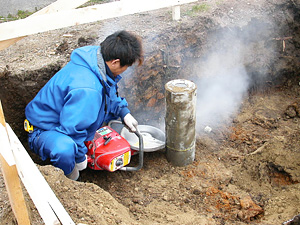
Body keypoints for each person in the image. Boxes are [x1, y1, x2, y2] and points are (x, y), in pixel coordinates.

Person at [24, 30, 143, 180]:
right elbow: (72, 130)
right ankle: (67, 179)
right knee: (65, 149)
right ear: (115, 62)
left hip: (67, 121)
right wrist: (79, 160)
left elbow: (109, 92)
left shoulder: (96, 60)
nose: (125, 70)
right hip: (43, 130)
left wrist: (123, 112)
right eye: (126, 66)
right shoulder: (88, 89)